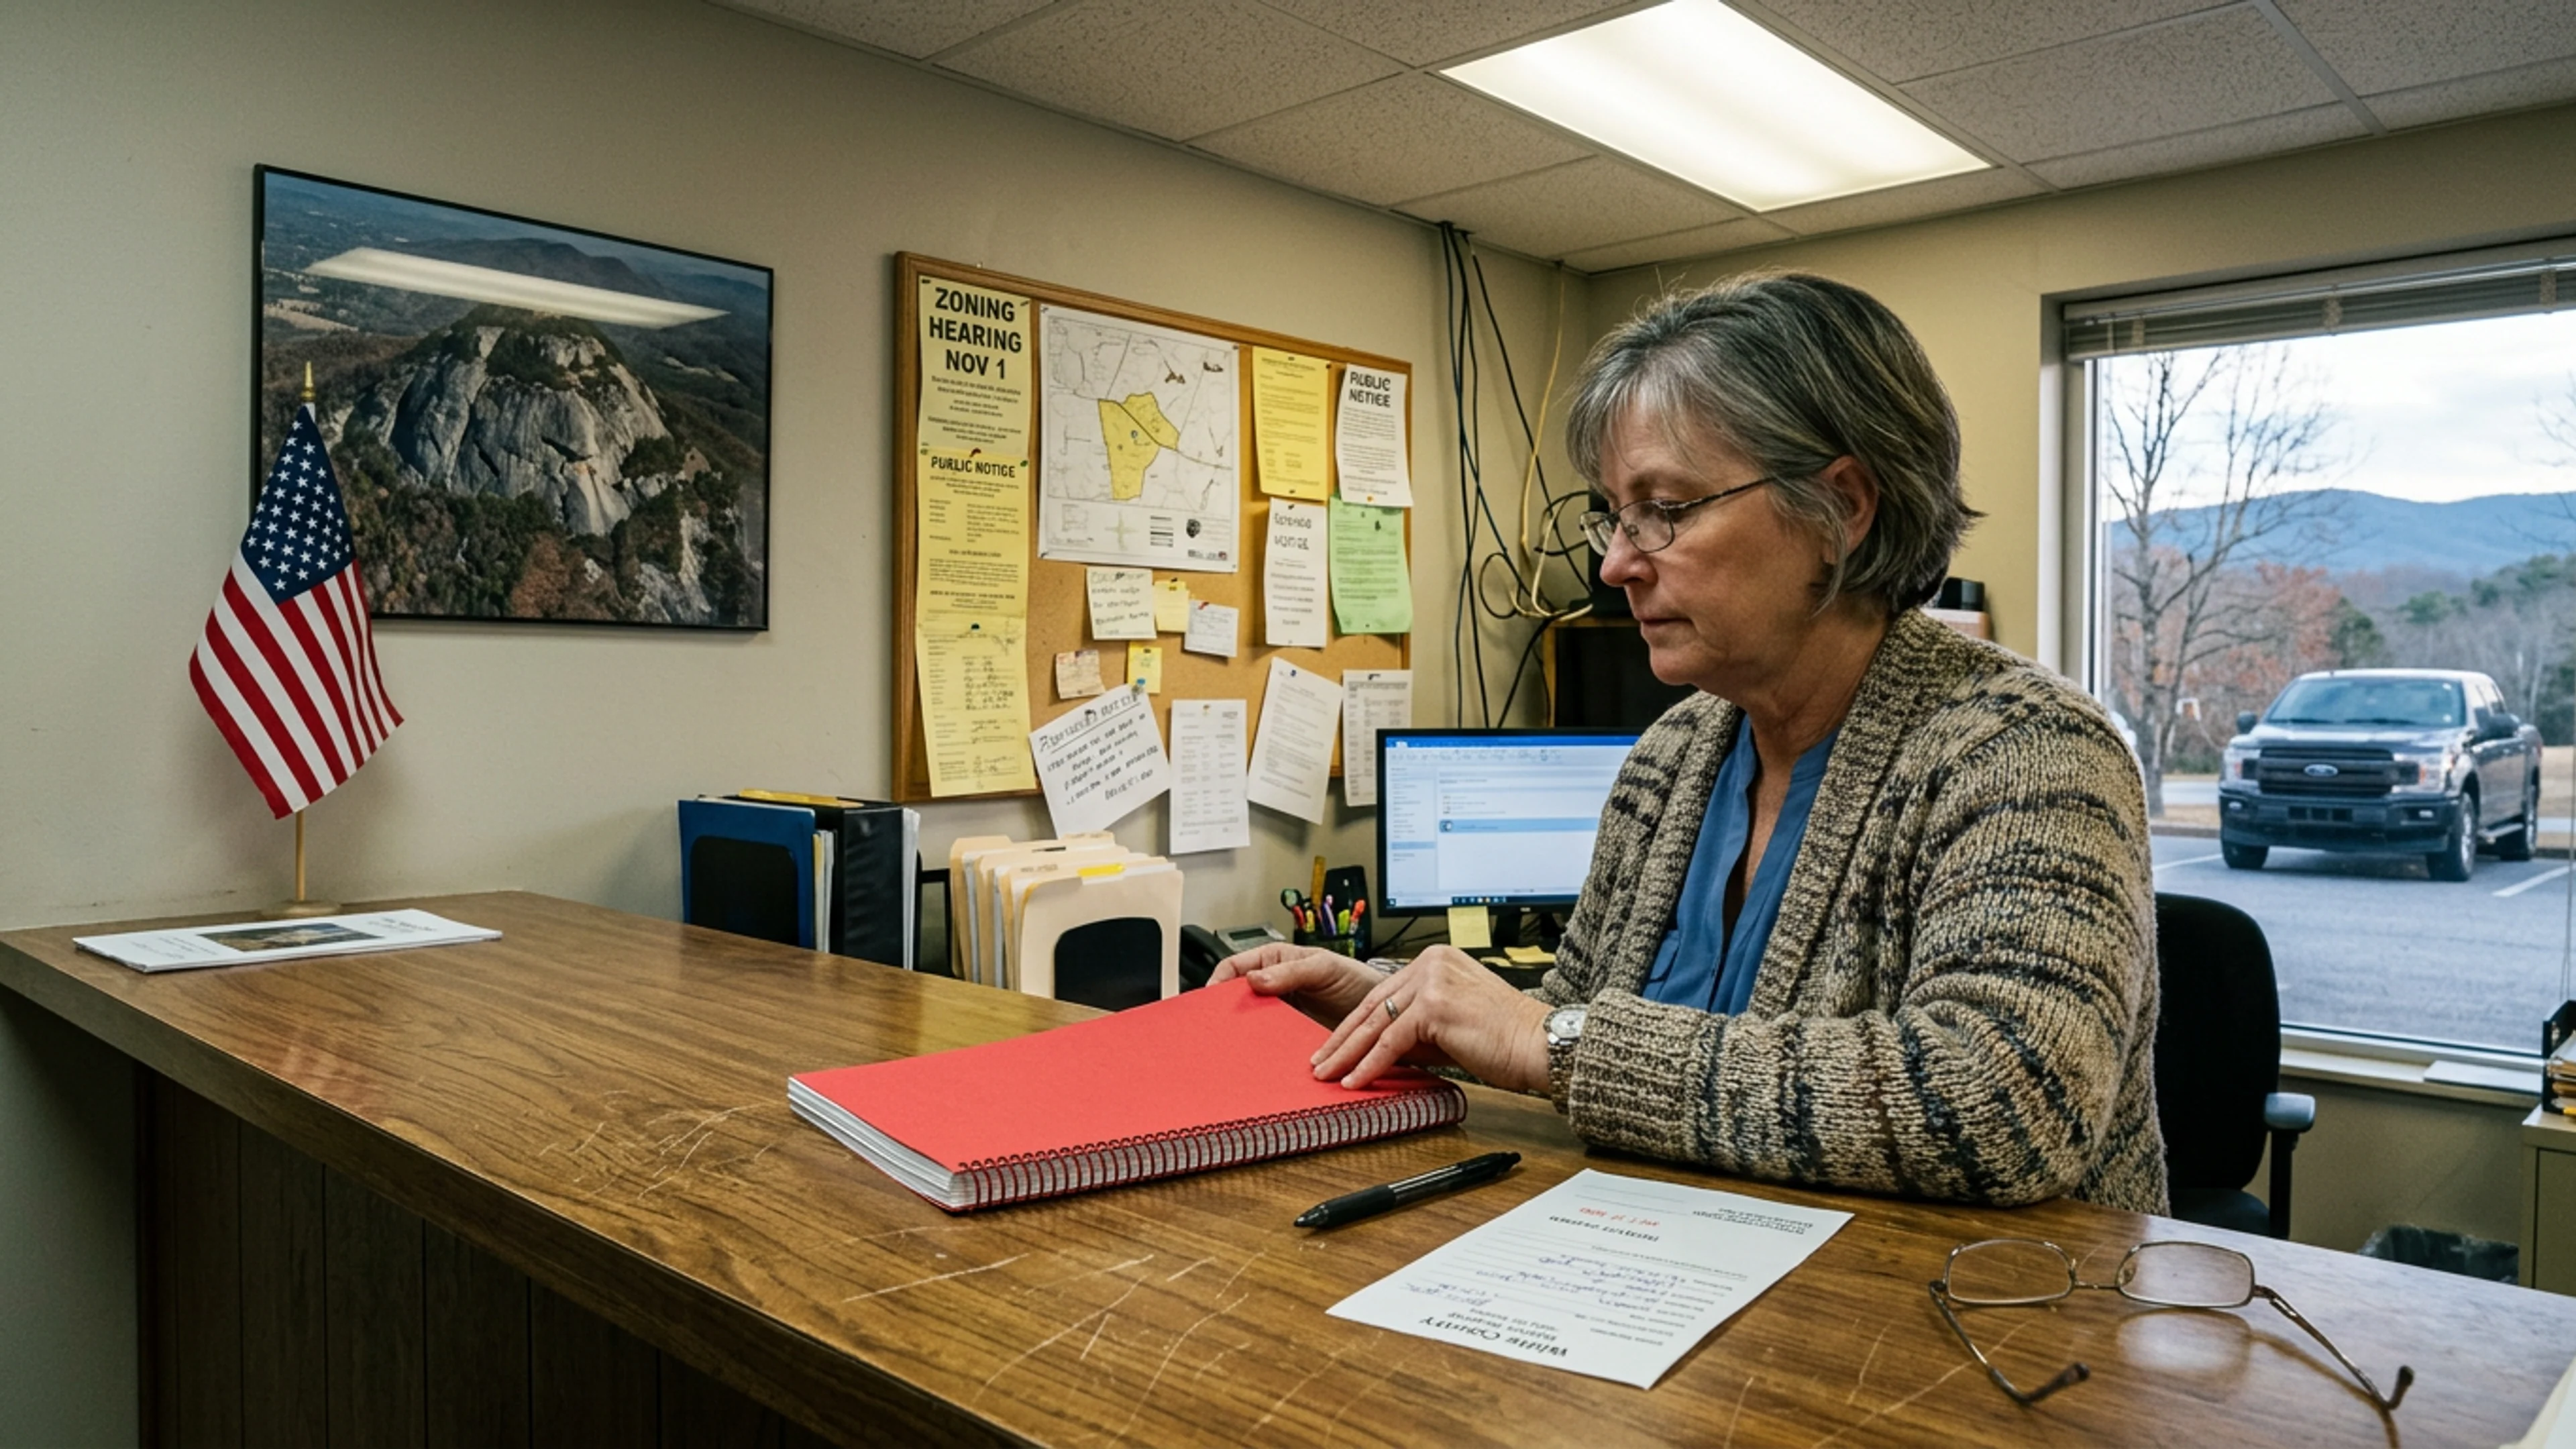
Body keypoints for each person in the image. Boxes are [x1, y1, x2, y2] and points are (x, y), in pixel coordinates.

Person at [1216, 272, 2165, 1213]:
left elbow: (2006, 1103)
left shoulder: (2029, 751)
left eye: (1665, 510)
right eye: (1616, 516)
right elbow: (1575, 1008)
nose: (1615, 564)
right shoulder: (1672, 758)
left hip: (1980, 1329)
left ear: (1841, 509)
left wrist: (1554, 1043)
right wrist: (1397, 1002)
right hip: (1676, 1286)